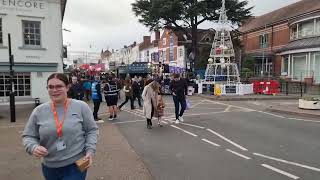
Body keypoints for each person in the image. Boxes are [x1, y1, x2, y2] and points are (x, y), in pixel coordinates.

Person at [22, 73, 99, 180]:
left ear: (67, 87)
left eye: (59, 86)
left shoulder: (81, 106)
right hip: (49, 166)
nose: (54, 90)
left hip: (78, 162)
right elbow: (28, 136)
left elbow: (91, 130)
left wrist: (90, 151)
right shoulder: (38, 111)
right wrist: (33, 147)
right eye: (51, 87)